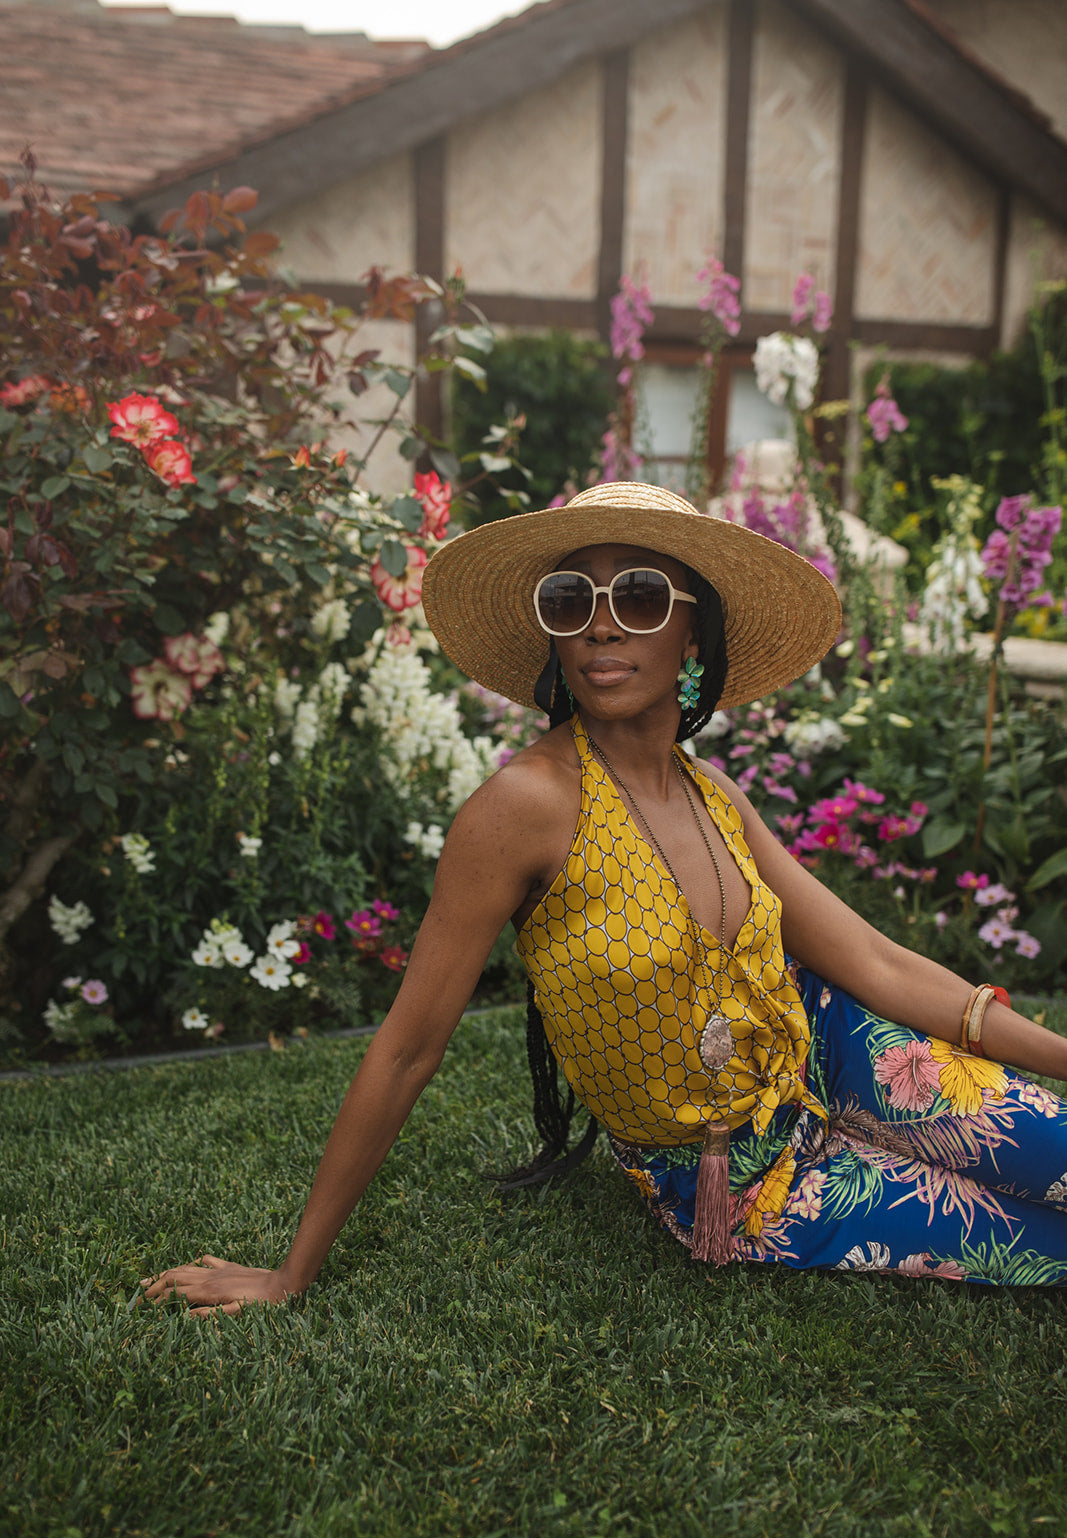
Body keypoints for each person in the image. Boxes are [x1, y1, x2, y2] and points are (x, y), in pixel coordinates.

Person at [143, 482, 1067, 1315]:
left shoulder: (714, 796)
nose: (599, 626)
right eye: (569, 601)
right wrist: (288, 1274)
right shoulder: (522, 810)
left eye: (636, 596)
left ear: (691, 632)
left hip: (835, 1049)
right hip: (734, 1179)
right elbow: (406, 1050)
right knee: (1041, 1241)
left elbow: (869, 962)